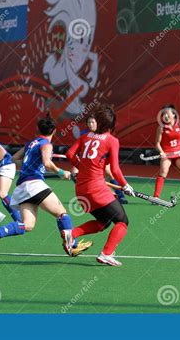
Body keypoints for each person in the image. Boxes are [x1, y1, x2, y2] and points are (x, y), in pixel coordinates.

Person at [0, 117, 93, 256]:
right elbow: (47, 164)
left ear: (38, 130)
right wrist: (61, 172)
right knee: (62, 214)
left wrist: (29, 166)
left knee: (28, 225)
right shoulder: (46, 144)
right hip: (34, 185)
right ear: (54, 131)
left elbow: (14, 159)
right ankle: (72, 245)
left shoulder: (30, 143)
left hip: (22, 187)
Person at [66, 105, 134, 266]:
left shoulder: (85, 137)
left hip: (81, 189)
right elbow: (115, 169)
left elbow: (69, 154)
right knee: (122, 221)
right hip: (96, 189)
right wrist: (126, 185)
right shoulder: (112, 140)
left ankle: (71, 234)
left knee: (103, 222)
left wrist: (82, 167)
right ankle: (106, 254)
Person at [73, 114, 128, 204]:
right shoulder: (84, 134)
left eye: (92, 122)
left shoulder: (102, 134)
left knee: (109, 173)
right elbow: (74, 153)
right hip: (85, 162)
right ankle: (101, 194)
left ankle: (120, 195)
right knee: (74, 173)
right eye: (89, 122)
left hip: (99, 161)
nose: (91, 124)